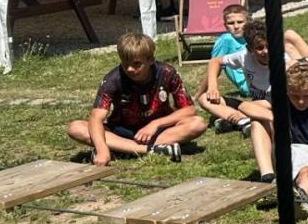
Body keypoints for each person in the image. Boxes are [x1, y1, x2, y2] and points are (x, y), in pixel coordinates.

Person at [67, 32, 208, 164]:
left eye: (136, 64)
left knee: (198, 123)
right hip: (122, 131)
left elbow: (189, 110)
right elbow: (96, 118)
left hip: (159, 131)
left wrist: (155, 124)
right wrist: (102, 150)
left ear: (150, 60)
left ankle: (122, 149)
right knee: (75, 128)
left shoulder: (167, 73)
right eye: (125, 63)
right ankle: (150, 150)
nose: (129, 69)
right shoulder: (113, 79)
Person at [249, 61, 308, 208]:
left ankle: (301, 196)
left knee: (307, 177)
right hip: (289, 151)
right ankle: (268, 179)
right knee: (257, 123)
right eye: (295, 96)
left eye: (306, 96)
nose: (301, 101)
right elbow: (245, 107)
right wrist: (272, 117)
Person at [203, 19, 294, 146]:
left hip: (272, 105)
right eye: (260, 48)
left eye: (269, 46)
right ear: (250, 49)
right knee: (204, 99)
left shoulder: (283, 61)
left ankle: (239, 118)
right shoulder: (244, 56)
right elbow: (215, 61)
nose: (266, 51)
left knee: (255, 106)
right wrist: (212, 87)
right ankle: (242, 120)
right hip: (254, 104)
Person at [196, 3, 253, 134]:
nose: (236, 26)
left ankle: (231, 119)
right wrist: (205, 91)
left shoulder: (252, 37)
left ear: (248, 22)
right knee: (206, 98)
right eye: (231, 23)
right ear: (225, 25)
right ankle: (241, 119)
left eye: (240, 22)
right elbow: (214, 67)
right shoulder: (225, 40)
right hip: (247, 86)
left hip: (258, 84)